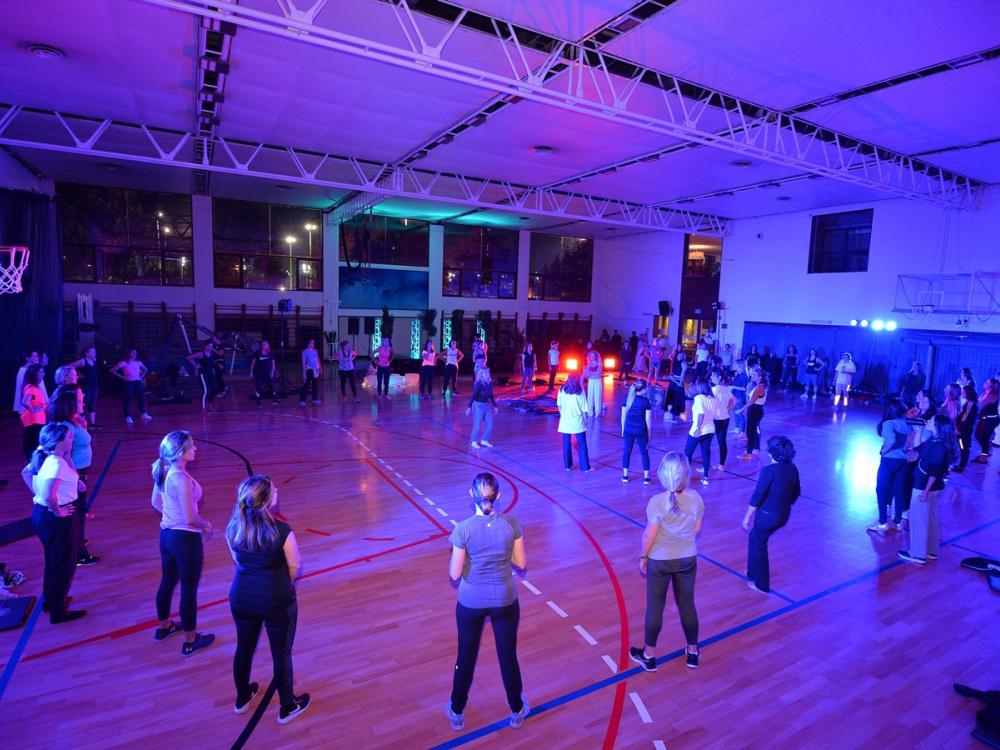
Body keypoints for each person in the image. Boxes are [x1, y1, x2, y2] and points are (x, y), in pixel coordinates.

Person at [445, 473, 529, 731]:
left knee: (465, 655)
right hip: (504, 599)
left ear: (471, 494)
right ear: (498, 496)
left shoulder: (463, 529)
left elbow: (454, 574)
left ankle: (457, 711)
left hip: (471, 602)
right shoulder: (511, 524)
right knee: (508, 656)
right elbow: (521, 563)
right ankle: (516, 710)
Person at [226, 475, 310, 724]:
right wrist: (283, 584)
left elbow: (237, 560)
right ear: (265, 501)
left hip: (241, 597)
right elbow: (295, 566)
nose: (277, 491)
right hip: (276, 600)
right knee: (281, 653)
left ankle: (242, 698)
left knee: (244, 647)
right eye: (274, 490)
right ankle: (287, 706)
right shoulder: (282, 531)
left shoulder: (233, 528)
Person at [629, 452, 703, 672]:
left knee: (655, 605)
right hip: (687, 558)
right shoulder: (696, 498)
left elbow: (649, 536)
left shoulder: (657, 502)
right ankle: (693, 652)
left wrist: (643, 555)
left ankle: (649, 656)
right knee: (687, 603)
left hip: (659, 561)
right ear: (686, 475)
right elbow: (697, 528)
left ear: (663, 475)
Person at [150, 430, 215, 656]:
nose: (195, 448)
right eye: (191, 445)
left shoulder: (164, 470)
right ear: (179, 452)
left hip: (166, 536)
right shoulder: (182, 479)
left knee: (167, 580)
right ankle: (190, 640)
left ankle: (164, 627)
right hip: (185, 539)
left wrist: (172, 516)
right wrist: (205, 525)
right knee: (188, 588)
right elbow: (190, 519)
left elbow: (155, 502)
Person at [21, 423, 87, 623]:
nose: (72, 439)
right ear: (58, 441)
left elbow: (25, 473)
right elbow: (50, 495)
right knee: (64, 564)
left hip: (44, 516)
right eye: (69, 437)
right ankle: (59, 612)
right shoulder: (56, 464)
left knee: (54, 561)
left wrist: (39, 496)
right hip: (57, 518)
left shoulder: (49, 457)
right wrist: (57, 510)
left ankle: (51, 601)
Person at [742, 436, 800, 593]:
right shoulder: (792, 468)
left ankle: (762, 584)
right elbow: (796, 492)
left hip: (768, 516)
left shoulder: (768, 471)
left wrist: (746, 518)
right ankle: (751, 572)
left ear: (771, 453)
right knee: (754, 538)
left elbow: (757, 496)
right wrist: (783, 504)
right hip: (783, 515)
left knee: (759, 544)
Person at [48, 386, 99, 566]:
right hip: (73, 476)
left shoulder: (73, 422)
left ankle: (78, 544)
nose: (82, 400)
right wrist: (75, 478)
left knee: (79, 513)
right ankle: (78, 554)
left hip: (79, 474)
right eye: (78, 400)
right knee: (75, 516)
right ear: (69, 404)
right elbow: (64, 455)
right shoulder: (66, 427)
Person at [898, 414, 957, 564]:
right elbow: (918, 449)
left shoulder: (939, 446)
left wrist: (925, 491)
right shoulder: (935, 441)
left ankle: (917, 554)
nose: (928, 421)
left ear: (937, 427)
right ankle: (931, 551)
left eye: (931, 421)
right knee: (930, 519)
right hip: (931, 488)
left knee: (918, 520)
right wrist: (918, 431)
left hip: (924, 487)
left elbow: (934, 470)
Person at [684, 379, 716, 485]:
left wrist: (698, 428)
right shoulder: (712, 399)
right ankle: (705, 477)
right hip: (710, 429)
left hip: (699, 430)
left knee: (687, 453)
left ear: (700, 387)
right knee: (706, 453)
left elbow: (701, 414)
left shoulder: (698, 398)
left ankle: (685, 477)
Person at [621, 380, 653, 485]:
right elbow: (648, 419)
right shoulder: (646, 402)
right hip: (641, 430)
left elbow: (623, 416)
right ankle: (646, 478)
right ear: (644, 390)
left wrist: (623, 429)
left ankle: (625, 476)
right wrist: (649, 433)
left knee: (627, 451)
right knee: (644, 453)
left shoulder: (627, 399)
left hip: (628, 430)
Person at [557, 374, 591, 472]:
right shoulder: (580, 391)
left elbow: (559, 405)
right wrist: (585, 421)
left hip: (565, 421)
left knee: (566, 444)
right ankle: (585, 467)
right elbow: (584, 409)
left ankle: (568, 466)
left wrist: (563, 414)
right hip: (577, 421)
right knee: (582, 444)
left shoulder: (562, 390)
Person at [111, 349, 152, 423]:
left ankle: (143, 413)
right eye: (133, 353)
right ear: (129, 354)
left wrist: (141, 376)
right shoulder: (124, 363)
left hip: (137, 382)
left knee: (141, 398)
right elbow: (113, 370)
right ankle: (128, 416)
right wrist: (121, 376)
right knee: (127, 399)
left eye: (135, 353)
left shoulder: (138, 362)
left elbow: (146, 369)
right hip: (129, 383)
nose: (135, 354)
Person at [738, 367, 768, 460]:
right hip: (756, 409)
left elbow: (752, 401)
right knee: (753, 430)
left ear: (760, 377)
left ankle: (749, 453)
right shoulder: (759, 386)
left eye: (755, 375)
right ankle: (755, 449)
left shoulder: (759, 387)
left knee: (750, 432)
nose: (753, 376)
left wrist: (741, 409)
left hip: (755, 410)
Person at [20, 363, 47, 460]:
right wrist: (33, 409)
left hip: (37, 420)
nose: (43, 374)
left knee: (34, 443)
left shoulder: (35, 387)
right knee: (34, 444)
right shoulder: (31, 388)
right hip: (35, 420)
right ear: (35, 374)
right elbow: (24, 401)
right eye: (41, 372)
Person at [466, 367, 498, 449]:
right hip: (478, 405)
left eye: (487, 373)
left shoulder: (489, 383)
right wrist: (469, 407)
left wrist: (495, 406)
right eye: (484, 373)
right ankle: (473, 441)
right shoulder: (478, 384)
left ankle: (484, 440)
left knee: (490, 425)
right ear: (481, 375)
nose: (487, 374)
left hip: (486, 405)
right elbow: (473, 396)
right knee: (477, 425)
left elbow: (491, 395)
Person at [711, 369, 736, 471]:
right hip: (725, 418)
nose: (711, 377)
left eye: (713, 376)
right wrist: (727, 410)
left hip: (715, 419)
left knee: (707, 443)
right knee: (722, 442)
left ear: (719, 378)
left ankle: (705, 467)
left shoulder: (713, 390)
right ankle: (721, 465)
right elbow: (735, 401)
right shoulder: (726, 389)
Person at [68, 347, 100, 426]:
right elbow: (69, 366)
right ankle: (82, 423)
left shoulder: (94, 360)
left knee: (92, 404)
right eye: (92, 352)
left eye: (94, 352)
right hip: (86, 386)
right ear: (87, 353)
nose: (94, 353)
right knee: (85, 404)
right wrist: (77, 375)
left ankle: (92, 423)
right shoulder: (83, 361)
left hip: (94, 386)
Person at [953, 385, 979, 472]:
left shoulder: (971, 404)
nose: (962, 393)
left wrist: (958, 429)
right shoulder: (969, 403)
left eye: (963, 392)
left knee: (964, 448)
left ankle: (962, 466)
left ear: (968, 393)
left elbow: (964, 418)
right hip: (963, 430)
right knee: (962, 447)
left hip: (964, 431)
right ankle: (961, 465)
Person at [187, 342, 220, 410]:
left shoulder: (211, 353)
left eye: (212, 346)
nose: (211, 347)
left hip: (210, 373)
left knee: (215, 388)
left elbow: (211, 362)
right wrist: (195, 365)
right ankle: (203, 407)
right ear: (205, 346)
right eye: (209, 346)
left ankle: (210, 403)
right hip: (203, 373)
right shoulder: (201, 353)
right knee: (206, 390)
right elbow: (188, 357)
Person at [973, 378, 999, 463]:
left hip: (990, 420)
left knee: (983, 437)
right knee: (979, 436)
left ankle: (984, 457)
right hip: (986, 419)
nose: (985, 383)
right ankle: (984, 454)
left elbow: (981, 403)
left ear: (991, 386)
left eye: (987, 383)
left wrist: (985, 393)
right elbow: (979, 401)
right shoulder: (987, 393)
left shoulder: (992, 395)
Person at [13, 350, 45, 415]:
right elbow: (24, 390)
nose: (37, 358)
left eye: (37, 356)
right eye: (35, 356)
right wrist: (32, 408)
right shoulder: (23, 371)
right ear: (27, 358)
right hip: (29, 408)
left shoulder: (34, 370)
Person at [251, 341, 278, 406]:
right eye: (263, 344)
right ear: (261, 346)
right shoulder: (257, 353)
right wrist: (251, 372)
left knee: (271, 386)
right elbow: (253, 363)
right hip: (258, 373)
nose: (264, 345)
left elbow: (273, 364)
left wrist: (272, 372)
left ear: (268, 345)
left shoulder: (271, 353)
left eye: (266, 344)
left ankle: (275, 400)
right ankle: (257, 402)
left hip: (267, 373)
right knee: (258, 387)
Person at [665, 345, 687, 422]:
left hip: (678, 382)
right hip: (673, 381)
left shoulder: (683, 364)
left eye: (681, 356)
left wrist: (680, 383)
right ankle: (670, 413)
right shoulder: (675, 361)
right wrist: (670, 377)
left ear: (683, 357)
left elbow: (682, 376)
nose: (679, 357)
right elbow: (673, 372)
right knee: (671, 397)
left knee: (677, 398)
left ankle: (676, 414)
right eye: (678, 355)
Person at [298, 339, 322, 405]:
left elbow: (317, 361)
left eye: (313, 343)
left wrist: (319, 369)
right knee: (306, 385)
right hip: (309, 369)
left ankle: (314, 399)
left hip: (315, 370)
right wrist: (304, 373)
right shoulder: (305, 352)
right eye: (311, 343)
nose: (313, 344)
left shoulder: (315, 351)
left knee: (315, 384)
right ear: (308, 344)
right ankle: (302, 400)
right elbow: (303, 363)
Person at [583, 350, 603, 418]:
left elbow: (598, 373)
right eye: (591, 356)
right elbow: (586, 375)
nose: (592, 357)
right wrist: (588, 373)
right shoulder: (588, 365)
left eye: (593, 356)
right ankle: (590, 412)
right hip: (591, 381)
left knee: (597, 396)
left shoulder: (599, 363)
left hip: (597, 381)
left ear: (595, 356)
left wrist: (590, 373)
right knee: (590, 396)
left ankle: (597, 412)